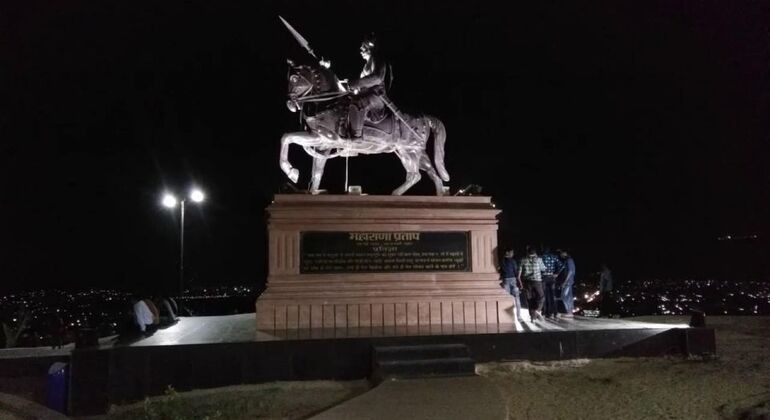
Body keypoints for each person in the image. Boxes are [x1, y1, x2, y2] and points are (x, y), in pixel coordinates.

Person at [347, 33, 390, 140]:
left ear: (370, 47)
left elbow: (377, 78)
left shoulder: (378, 59)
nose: (361, 50)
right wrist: (352, 86)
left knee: (357, 104)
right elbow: (362, 83)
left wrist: (355, 83)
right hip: (367, 94)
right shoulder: (366, 65)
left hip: (376, 97)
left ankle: (356, 136)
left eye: (363, 47)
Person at [518, 245, 546, 321]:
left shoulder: (523, 260)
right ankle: (538, 310)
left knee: (530, 299)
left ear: (528, 252)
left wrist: (520, 282)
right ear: (535, 252)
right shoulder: (538, 259)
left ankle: (532, 317)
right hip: (537, 281)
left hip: (527, 282)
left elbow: (519, 272)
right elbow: (543, 268)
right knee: (541, 297)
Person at [499, 249, 524, 322]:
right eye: (512, 252)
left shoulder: (502, 261)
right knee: (517, 298)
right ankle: (519, 317)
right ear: (508, 252)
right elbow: (516, 271)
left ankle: (507, 317)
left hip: (505, 280)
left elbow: (500, 270)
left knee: (506, 299)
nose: (513, 254)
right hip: (513, 280)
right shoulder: (513, 261)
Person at [540, 247, 560, 319]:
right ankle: (555, 313)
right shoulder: (554, 257)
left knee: (544, 296)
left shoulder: (542, 257)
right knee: (553, 296)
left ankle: (545, 313)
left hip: (544, 277)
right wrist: (556, 273)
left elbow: (539, 267)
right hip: (552, 277)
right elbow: (560, 265)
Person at [559, 250, 576, 316]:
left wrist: (565, 282)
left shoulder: (569, 260)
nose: (560, 255)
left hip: (568, 282)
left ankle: (569, 311)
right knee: (566, 296)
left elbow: (571, 272)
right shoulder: (567, 261)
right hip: (568, 281)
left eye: (561, 253)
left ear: (565, 252)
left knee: (565, 296)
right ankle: (569, 311)